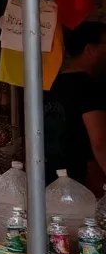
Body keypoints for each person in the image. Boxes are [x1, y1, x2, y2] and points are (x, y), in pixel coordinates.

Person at [46, 21, 106, 193]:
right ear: (90, 49)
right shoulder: (89, 86)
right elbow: (100, 141)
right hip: (80, 182)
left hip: (48, 179)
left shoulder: (51, 84)